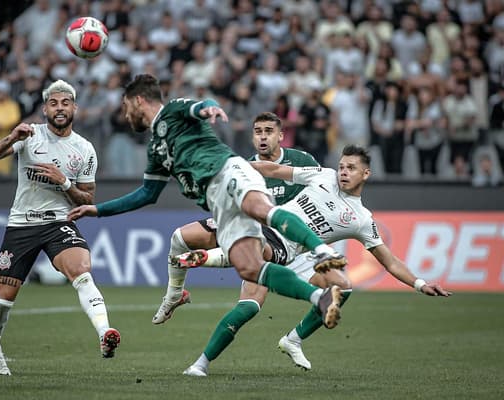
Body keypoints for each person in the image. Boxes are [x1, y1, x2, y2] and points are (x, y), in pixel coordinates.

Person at [68, 73, 348, 339]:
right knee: (249, 268)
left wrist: (210, 109)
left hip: (229, 171)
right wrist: (99, 210)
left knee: (259, 208)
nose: (125, 113)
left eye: (126, 105)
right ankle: (319, 298)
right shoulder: (156, 149)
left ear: (139, 100)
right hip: (217, 202)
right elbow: (146, 194)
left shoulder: (174, 109)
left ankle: (321, 251)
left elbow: (202, 106)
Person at [177, 145, 452, 376]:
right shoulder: (324, 176)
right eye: (342, 166)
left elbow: (390, 262)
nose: (344, 172)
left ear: (366, 174)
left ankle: (292, 340)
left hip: (302, 254)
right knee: (249, 307)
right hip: (270, 232)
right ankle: (200, 364)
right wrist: (232, 166)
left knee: (342, 287)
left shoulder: (362, 220)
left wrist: (420, 284)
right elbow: (273, 169)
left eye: (351, 168)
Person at [0, 79, 120, 376]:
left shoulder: (84, 149)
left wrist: (64, 181)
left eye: (65, 103)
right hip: (22, 223)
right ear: (45, 108)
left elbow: (87, 198)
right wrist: (10, 138)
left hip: (58, 222)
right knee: (3, 300)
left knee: (82, 270)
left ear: (74, 108)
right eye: (54, 103)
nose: (59, 108)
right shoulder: (28, 135)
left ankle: (105, 333)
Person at [151, 111, 320, 325]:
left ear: (280, 135)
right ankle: (174, 295)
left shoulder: (301, 160)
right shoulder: (243, 167)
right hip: (250, 229)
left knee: (335, 286)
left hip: (287, 241)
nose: (263, 137)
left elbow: (321, 194)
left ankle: (296, 337)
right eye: (258, 132)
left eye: (269, 131)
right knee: (180, 237)